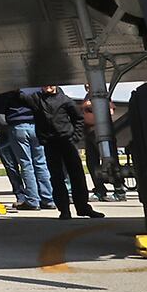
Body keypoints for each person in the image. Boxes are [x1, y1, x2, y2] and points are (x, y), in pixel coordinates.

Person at [28, 85, 104, 220]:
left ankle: (83, 207)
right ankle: (64, 210)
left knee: (77, 176)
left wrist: (75, 137)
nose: (48, 87)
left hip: (67, 142)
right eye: (45, 85)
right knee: (56, 178)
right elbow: (20, 98)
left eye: (50, 84)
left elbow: (78, 118)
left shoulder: (65, 100)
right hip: (51, 143)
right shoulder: (36, 99)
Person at [0, 88, 53, 211]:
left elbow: (0, 107)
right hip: (36, 126)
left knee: (26, 164)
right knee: (41, 163)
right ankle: (48, 198)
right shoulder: (37, 88)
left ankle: (32, 200)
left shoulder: (11, 88)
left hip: (18, 126)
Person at [81, 97, 126, 202]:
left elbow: (110, 111)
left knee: (110, 161)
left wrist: (91, 107)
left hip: (103, 133)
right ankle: (100, 190)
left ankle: (119, 190)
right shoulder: (86, 98)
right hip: (89, 133)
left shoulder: (102, 96)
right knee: (91, 162)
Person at [0, 93, 25, 201]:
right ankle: (27, 195)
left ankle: (23, 195)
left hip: (7, 133)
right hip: (7, 134)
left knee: (17, 167)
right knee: (23, 166)